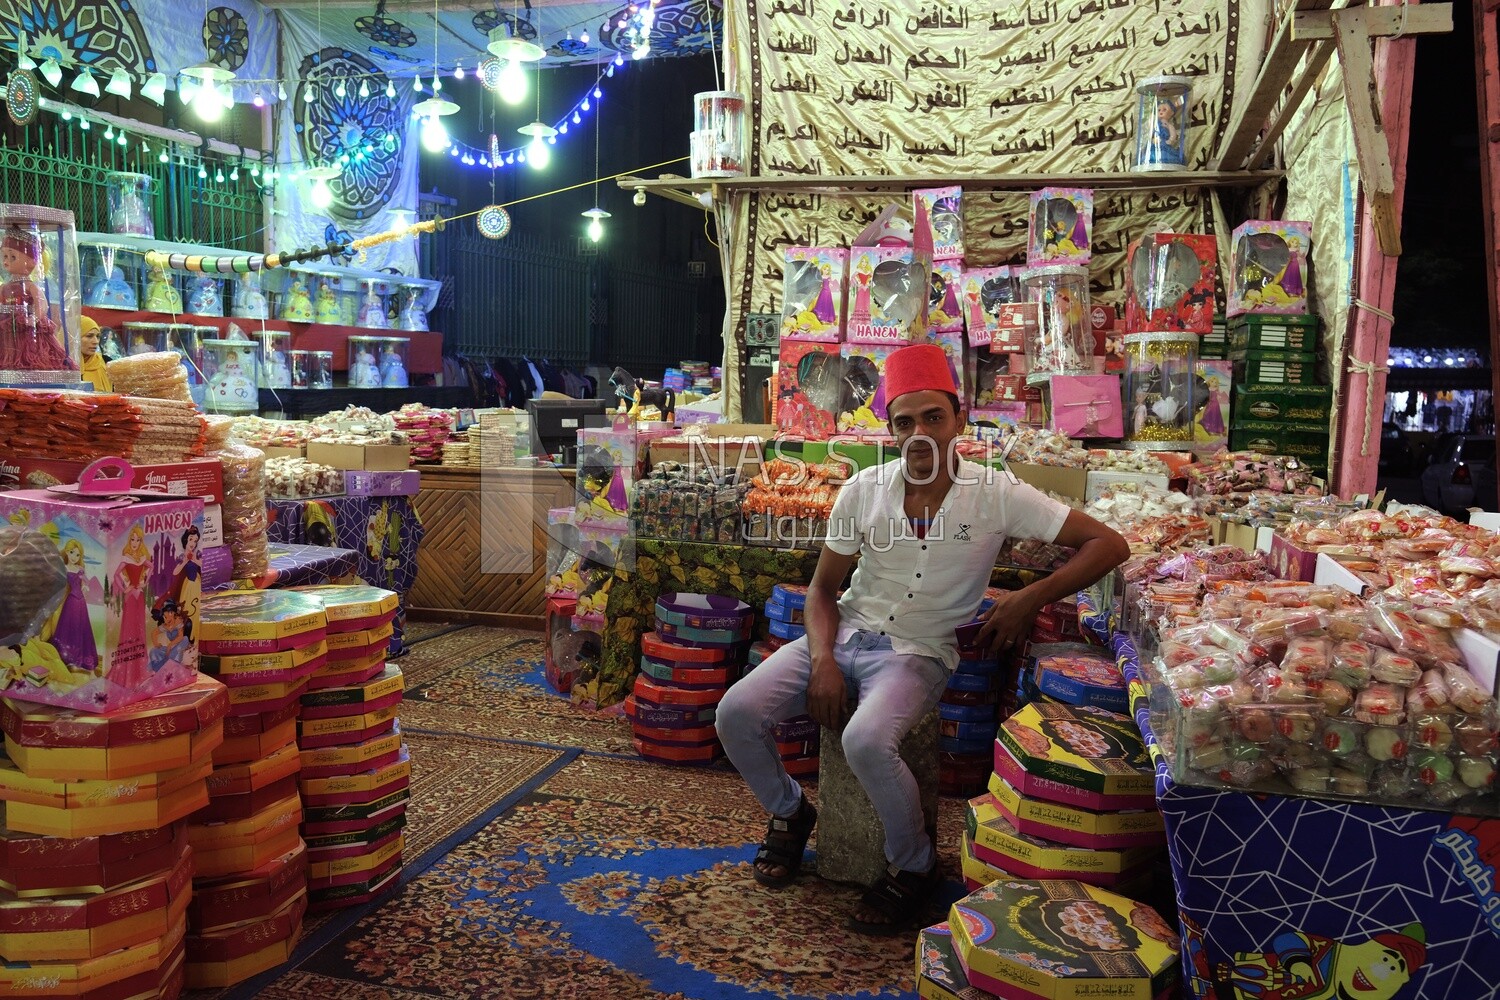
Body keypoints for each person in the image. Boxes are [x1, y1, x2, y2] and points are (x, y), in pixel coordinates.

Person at [716, 343, 1130, 935]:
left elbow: (1110, 545)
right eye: (905, 421)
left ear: (959, 419)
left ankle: (914, 867)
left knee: (864, 740)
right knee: (733, 712)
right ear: (890, 429)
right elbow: (821, 591)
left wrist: (1027, 597)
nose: (920, 433)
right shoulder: (863, 488)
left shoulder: (997, 494)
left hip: (918, 653)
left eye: (933, 417)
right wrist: (824, 659)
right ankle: (790, 813)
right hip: (848, 632)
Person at [79, 316, 111, 392]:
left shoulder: (107, 363)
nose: (96, 341)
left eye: (98, 336)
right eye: (89, 336)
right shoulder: (63, 367)